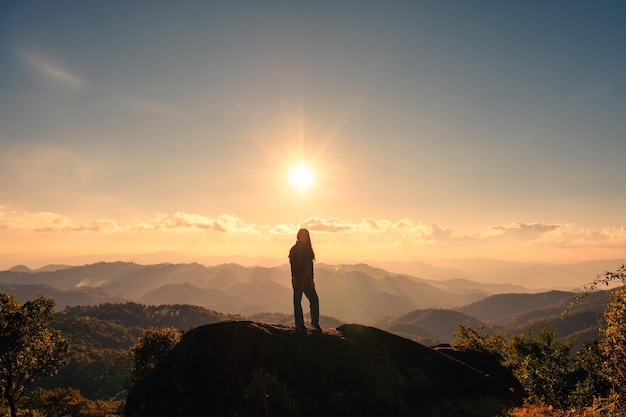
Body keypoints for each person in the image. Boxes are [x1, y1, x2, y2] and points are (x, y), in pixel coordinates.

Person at [289, 228, 321, 331]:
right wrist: (294, 278)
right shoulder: (294, 249)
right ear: (298, 236)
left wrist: (312, 278)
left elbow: (310, 265)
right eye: (303, 235)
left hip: (307, 279)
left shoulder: (308, 250)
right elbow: (293, 265)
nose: (305, 237)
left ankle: (315, 323)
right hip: (299, 278)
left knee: (314, 300)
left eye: (306, 236)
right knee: (297, 302)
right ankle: (299, 325)